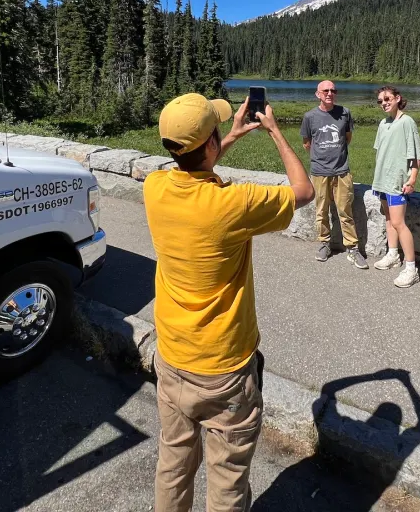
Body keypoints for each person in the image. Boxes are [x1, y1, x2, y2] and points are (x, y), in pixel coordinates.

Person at [144, 92, 314, 512]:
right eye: (217, 133)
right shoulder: (232, 204)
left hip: (171, 357)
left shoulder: (156, 188)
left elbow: (191, 167)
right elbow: (303, 190)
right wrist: (274, 131)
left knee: (173, 464)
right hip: (223, 370)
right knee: (227, 479)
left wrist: (229, 136)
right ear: (211, 146)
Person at [300, 80, 367, 268]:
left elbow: (347, 138)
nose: (330, 93)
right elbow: (307, 143)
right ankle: (324, 243)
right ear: (318, 94)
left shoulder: (344, 113)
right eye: (326, 90)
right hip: (319, 172)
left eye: (333, 90)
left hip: (342, 171)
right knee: (321, 211)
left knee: (346, 211)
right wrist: (320, 157)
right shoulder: (310, 117)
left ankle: (352, 248)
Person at [371, 85, 420, 287]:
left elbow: (416, 155)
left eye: (387, 99)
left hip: (397, 182)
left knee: (399, 223)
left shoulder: (407, 122)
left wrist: (412, 179)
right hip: (382, 179)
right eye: (380, 101)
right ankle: (392, 254)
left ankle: (411, 268)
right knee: (388, 219)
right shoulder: (383, 123)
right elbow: (381, 152)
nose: (384, 103)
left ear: (397, 98)